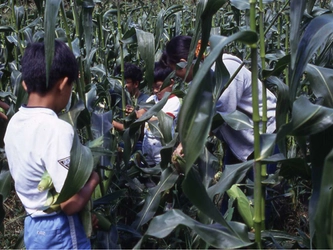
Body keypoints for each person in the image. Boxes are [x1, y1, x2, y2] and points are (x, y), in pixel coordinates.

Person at [4, 40, 100, 249]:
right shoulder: (57, 130)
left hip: (34, 228)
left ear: (25, 84)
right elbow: (69, 203)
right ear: (63, 84)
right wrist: (93, 179)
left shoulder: (14, 124)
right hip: (61, 231)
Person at [165, 35, 277, 165]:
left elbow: (221, 115)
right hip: (240, 143)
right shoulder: (200, 80)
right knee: (229, 182)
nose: (177, 77)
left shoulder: (225, 69)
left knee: (263, 184)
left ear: (183, 63)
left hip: (264, 137)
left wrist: (184, 145)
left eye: (175, 71)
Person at [141, 58, 181, 166]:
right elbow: (141, 111)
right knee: (147, 173)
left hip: (162, 148)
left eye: (158, 87)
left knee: (161, 173)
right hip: (147, 145)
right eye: (153, 87)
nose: (155, 90)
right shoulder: (151, 99)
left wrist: (143, 116)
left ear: (171, 83)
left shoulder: (174, 102)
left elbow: (163, 122)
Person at [112, 63, 149, 131]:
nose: (120, 85)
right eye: (118, 82)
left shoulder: (147, 101)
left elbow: (133, 130)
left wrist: (110, 122)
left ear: (136, 84)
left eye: (125, 82)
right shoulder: (118, 97)